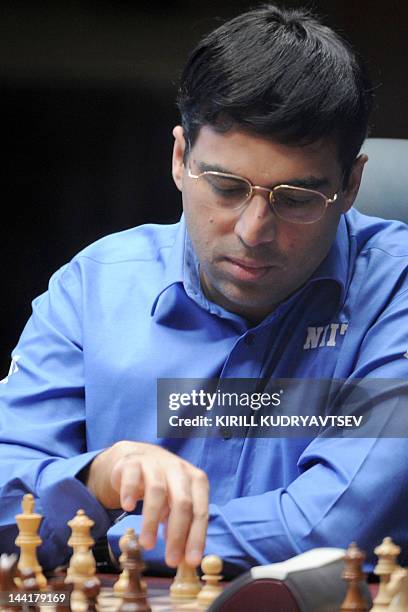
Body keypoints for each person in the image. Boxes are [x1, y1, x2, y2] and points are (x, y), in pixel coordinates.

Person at [1, 4, 408, 576]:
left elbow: (332, 528)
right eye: (224, 187)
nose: (253, 231)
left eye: (295, 199)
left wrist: (106, 535)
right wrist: (96, 478)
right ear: (178, 158)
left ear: (351, 185)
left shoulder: (397, 290)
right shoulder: (95, 287)